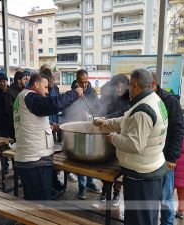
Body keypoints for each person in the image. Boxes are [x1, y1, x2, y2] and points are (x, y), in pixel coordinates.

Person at [94, 68, 168, 225]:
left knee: (138, 220)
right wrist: (105, 123)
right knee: (147, 218)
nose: (128, 89)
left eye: (129, 85)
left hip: (141, 176)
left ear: (134, 85)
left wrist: (112, 137)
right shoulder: (152, 99)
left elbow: (134, 145)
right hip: (151, 168)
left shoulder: (143, 110)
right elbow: (127, 120)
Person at [13, 73, 83, 200]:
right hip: (35, 161)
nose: (47, 92)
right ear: (36, 84)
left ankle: (30, 219)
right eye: (45, 87)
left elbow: (27, 120)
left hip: (27, 158)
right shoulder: (30, 97)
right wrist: (75, 93)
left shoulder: (21, 97)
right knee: (41, 204)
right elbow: (54, 104)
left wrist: (49, 125)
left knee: (32, 201)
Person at [151, 72, 184, 225]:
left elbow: (179, 130)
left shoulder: (169, 100)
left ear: (153, 84)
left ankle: (167, 223)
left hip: (165, 159)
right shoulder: (146, 98)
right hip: (150, 157)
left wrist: (172, 157)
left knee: (165, 197)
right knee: (152, 197)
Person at [62, 69, 102, 200]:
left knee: (90, 157)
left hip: (90, 128)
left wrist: (91, 115)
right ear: (76, 80)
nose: (84, 85)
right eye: (81, 82)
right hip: (77, 129)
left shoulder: (91, 91)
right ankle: (82, 187)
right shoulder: (71, 92)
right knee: (81, 159)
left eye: (86, 82)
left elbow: (97, 107)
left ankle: (90, 183)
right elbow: (66, 110)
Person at [99, 74, 130, 206]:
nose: (119, 90)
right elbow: (102, 106)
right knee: (106, 165)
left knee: (119, 167)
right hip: (109, 132)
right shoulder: (109, 94)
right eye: (116, 87)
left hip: (122, 135)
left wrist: (106, 118)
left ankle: (116, 193)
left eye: (121, 87)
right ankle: (105, 190)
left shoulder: (130, 97)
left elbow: (124, 113)